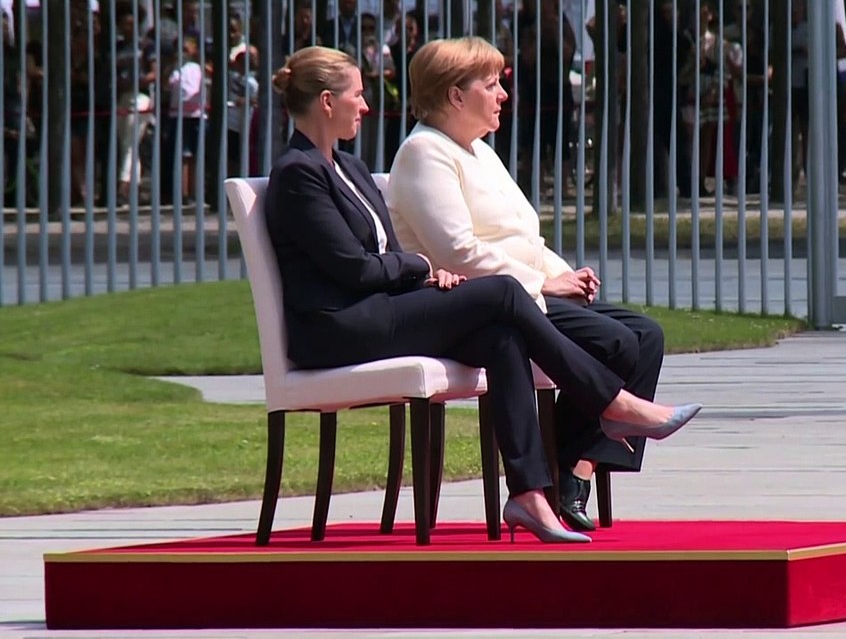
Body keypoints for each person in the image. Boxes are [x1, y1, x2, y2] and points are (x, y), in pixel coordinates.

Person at [263, 46, 701, 544]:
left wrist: (424, 278)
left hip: (379, 308)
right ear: (326, 102)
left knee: (500, 337)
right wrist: (424, 267)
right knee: (504, 295)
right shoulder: (298, 173)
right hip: (337, 327)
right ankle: (611, 401)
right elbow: (354, 268)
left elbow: (382, 256)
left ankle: (530, 493)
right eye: (358, 95)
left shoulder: (352, 168)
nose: (366, 106)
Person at [384, 36, 669, 533]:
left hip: (530, 289)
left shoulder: (478, 152)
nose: (503, 95)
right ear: (455, 95)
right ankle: (571, 467)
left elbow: (525, 237)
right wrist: (545, 283)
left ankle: (574, 469)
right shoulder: (424, 153)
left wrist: (564, 274)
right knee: (616, 343)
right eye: (491, 84)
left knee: (647, 336)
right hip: (485, 301)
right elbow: (458, 253)